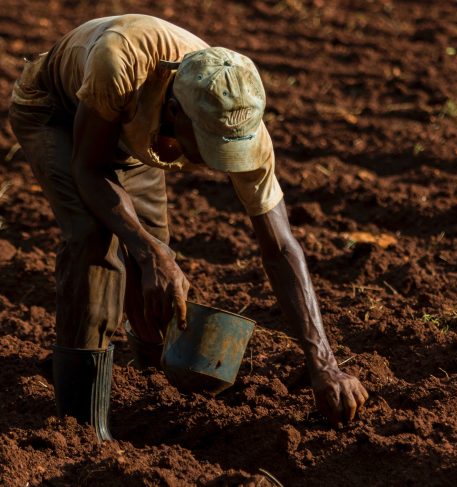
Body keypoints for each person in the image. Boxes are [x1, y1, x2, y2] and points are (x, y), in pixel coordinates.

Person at [9, 14, 368, 440]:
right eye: (209, 146)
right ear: (176, 113)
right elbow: (89, 169)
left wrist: (323, 364)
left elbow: (281, 247)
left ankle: (146, 384)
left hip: (133, 133)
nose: (218, 163)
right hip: (57, 111)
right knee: (96, 241)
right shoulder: (119, 64)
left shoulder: (238, 112)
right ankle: (81, 425)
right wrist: (147, 251)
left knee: (153, 260)